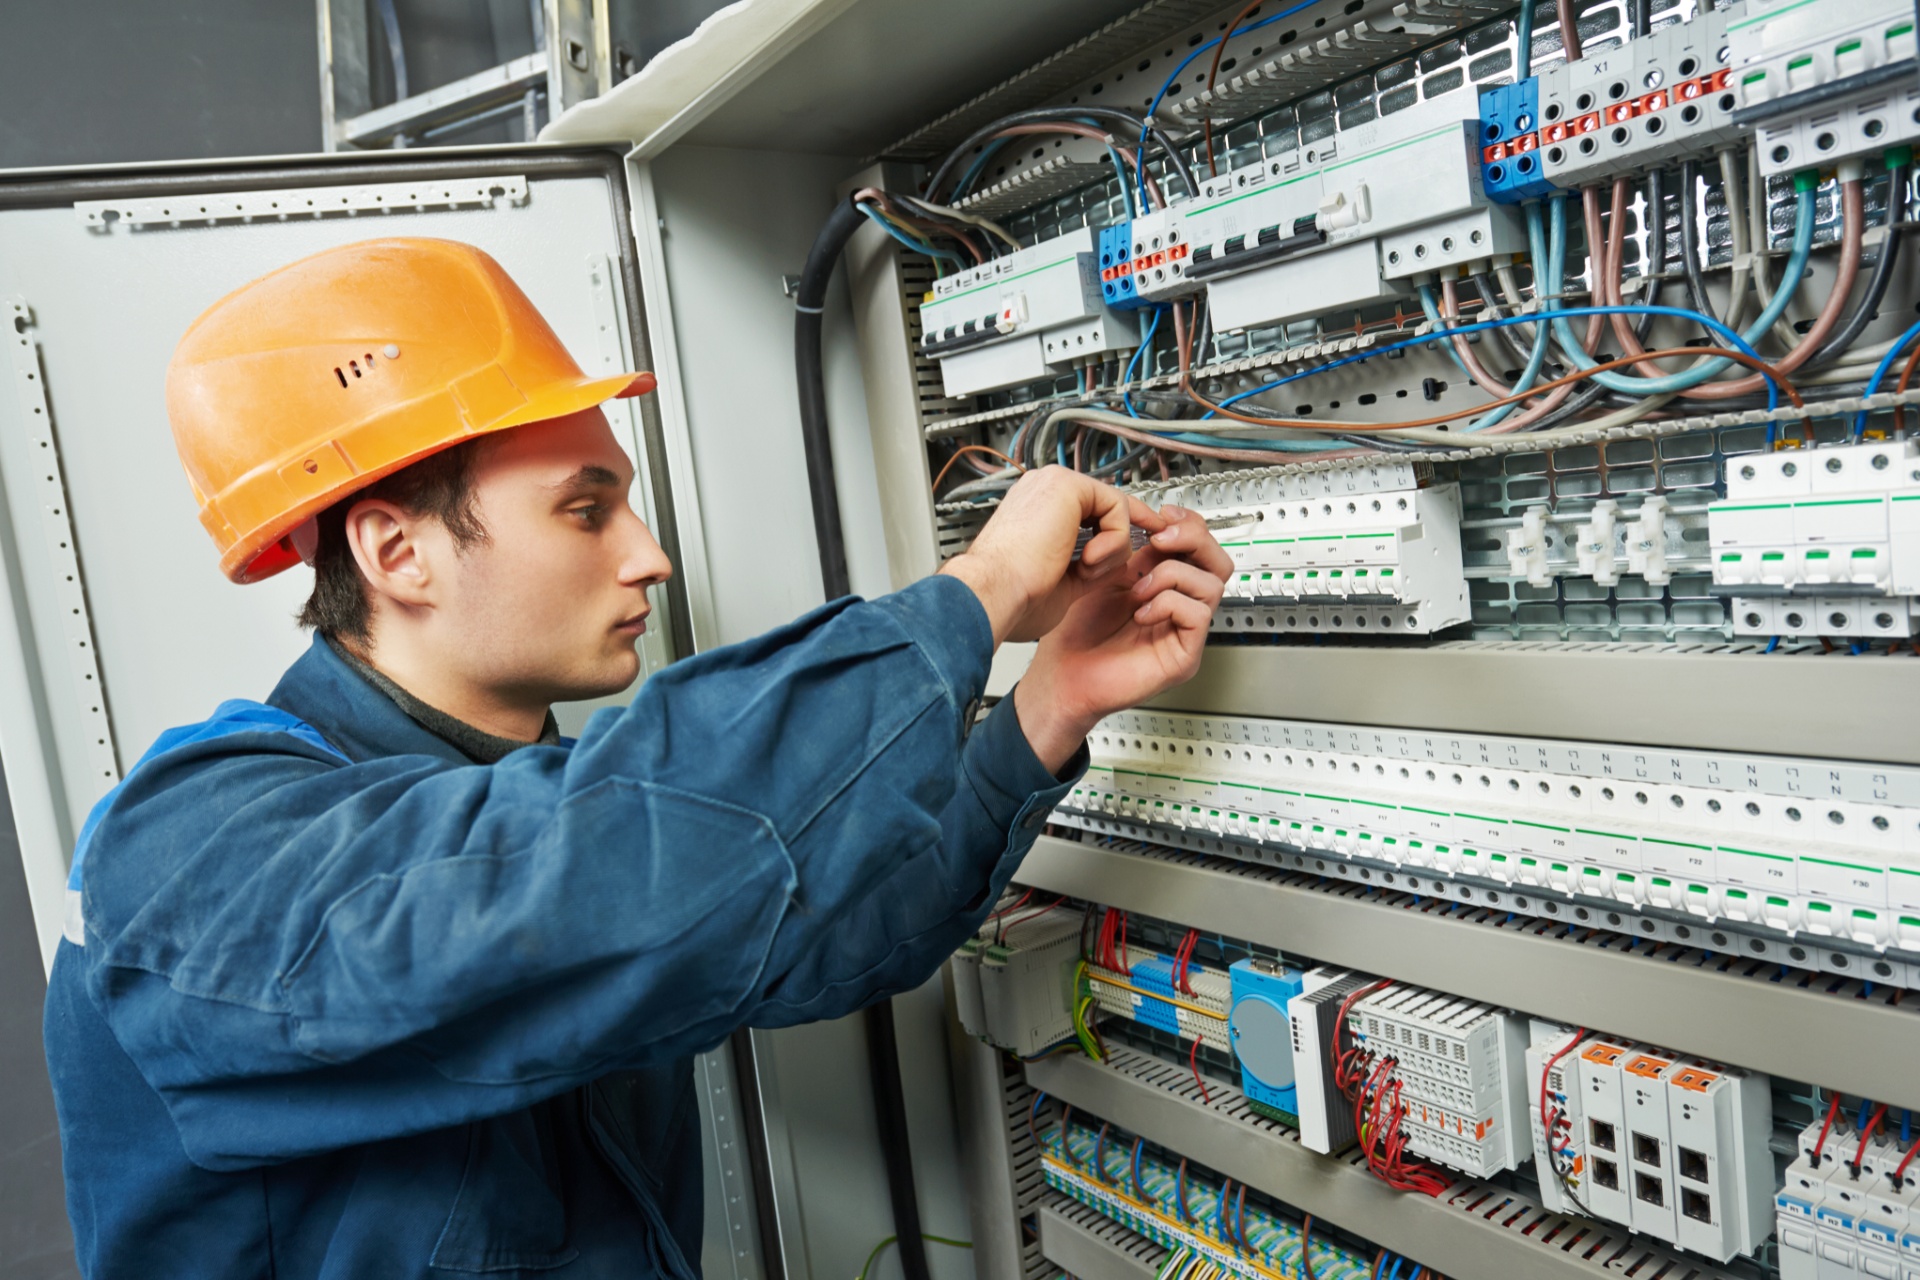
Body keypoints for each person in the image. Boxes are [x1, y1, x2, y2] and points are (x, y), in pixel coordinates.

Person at [42, 238, 1229, 1279]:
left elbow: (803, 936)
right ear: (398, 551)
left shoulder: (515, 812)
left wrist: (1050, 704)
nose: (651, 556)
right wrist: (977, 592)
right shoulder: (191, 848)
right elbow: (587, 872)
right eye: (585, 507)